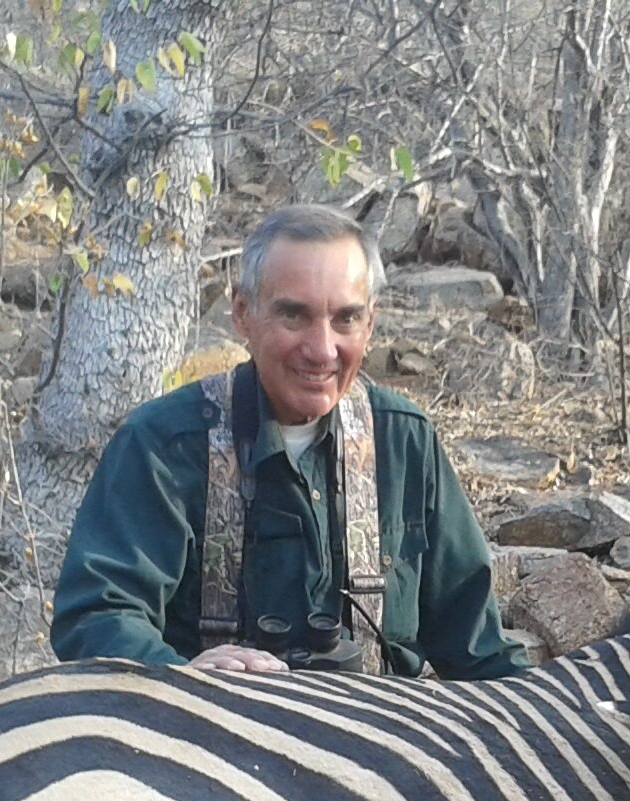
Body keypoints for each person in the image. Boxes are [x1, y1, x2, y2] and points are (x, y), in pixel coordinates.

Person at [50, 205, 528, 680]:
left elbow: (479, 652)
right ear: (243, 314)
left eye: (345, 319)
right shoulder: (162, 445)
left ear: (371, 322)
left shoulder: (404, 441)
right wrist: (180, 673)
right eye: (294, 316)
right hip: (206, 739)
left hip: (376, 742)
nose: (321, 350)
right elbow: (96, 617)